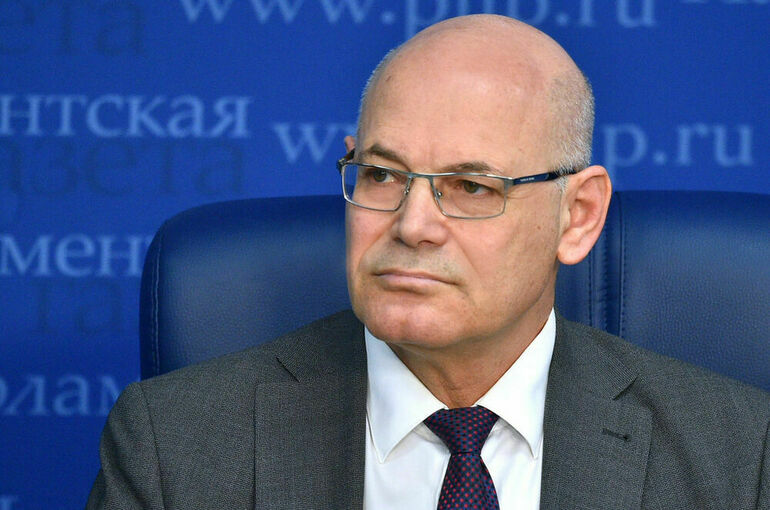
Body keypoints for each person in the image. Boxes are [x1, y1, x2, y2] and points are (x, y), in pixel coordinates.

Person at [87, 14, 770, 510]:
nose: (412, 225)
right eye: (383, 175)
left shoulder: (741, 456)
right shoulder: (173, 447)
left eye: (471, 187)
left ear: (579, 216)